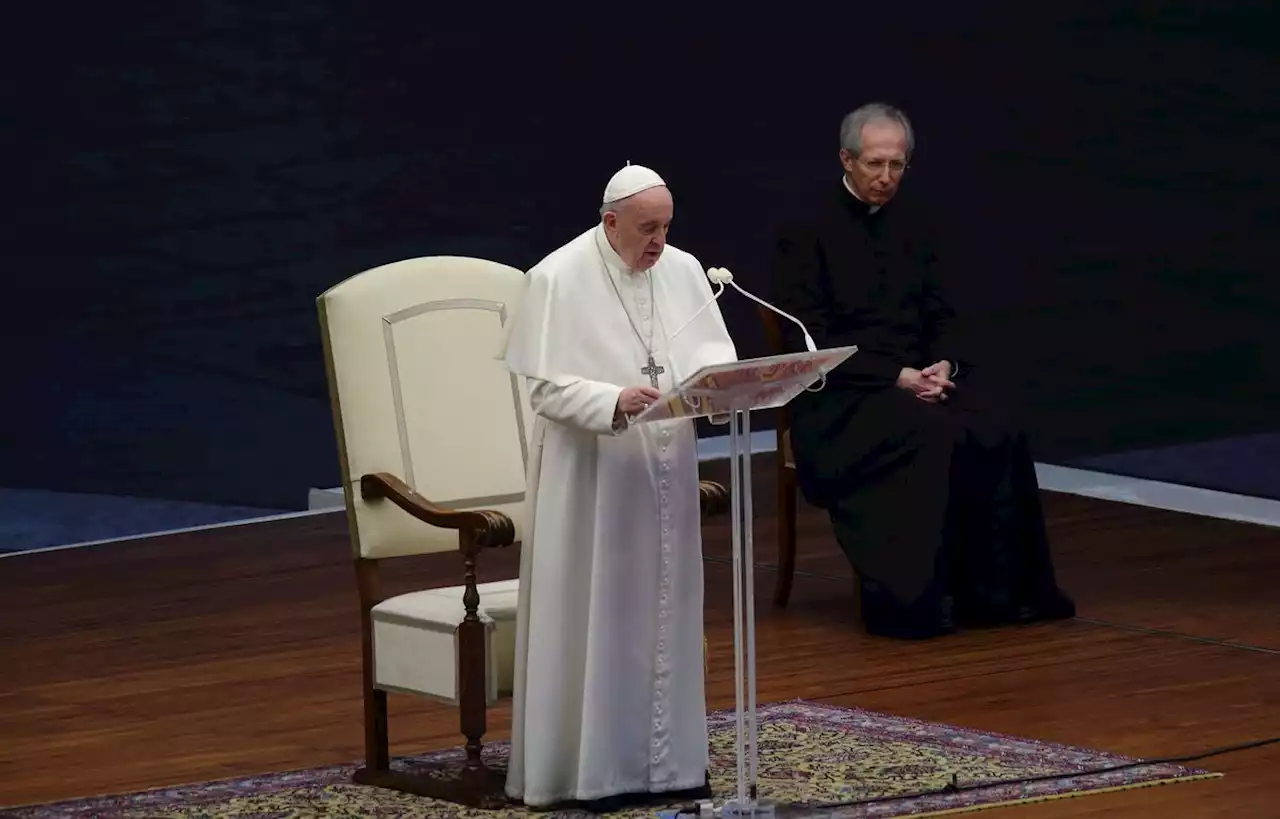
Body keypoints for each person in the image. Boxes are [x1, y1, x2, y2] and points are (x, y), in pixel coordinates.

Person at [770, 102, 1075, 640]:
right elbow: (807, 336)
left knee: (995, 425)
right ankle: (911, 603)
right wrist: (896, 376)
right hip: (843, 393)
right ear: (846, 158)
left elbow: (943, 311)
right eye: (874, 164)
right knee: (927, 434)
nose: (886, 177)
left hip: (917, 381)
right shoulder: (806, 226)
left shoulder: (917, 220)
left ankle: (994, 596)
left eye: (897, 165)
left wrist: (942, 365)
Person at [501, 164, 738, 809]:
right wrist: (614, 399)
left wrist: (714, 387)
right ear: (609, 223)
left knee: (666, 616)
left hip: (664, 469)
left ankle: (673, 768)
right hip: (593, 480)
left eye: (665, 227)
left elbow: (710, 360)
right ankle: (593, 775)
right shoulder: (556, 278)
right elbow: (545, 386)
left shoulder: (683, 270)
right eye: (645, 229)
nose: (658, 243)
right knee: (600, 616)